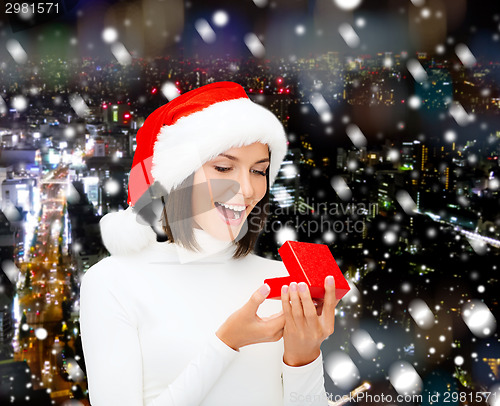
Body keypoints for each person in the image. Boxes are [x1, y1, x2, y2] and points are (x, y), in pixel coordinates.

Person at [79, 81, 339, 406]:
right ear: (179, 177)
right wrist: (227, 343)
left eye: (259, 171)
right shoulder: (114, 281)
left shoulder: (283, 281)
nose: (246, 189)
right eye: (223, 167)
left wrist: (304, 356)